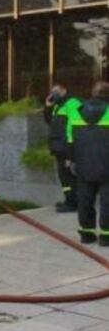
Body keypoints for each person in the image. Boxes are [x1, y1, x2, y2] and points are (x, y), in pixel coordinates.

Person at [67, 81, 109, 246]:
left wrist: (71, 160)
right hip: (107, 165)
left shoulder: (76, 111)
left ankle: (87, 234)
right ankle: (106, 237)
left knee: (85, 200)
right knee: (107, 202)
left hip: (83, 165)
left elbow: (70, 138)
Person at [44, 84, 82, 212]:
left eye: (57, 91)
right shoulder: (57, 106)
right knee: (63, 176)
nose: (54, 93)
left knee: (69, 175)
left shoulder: (72, 103)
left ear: (65, 91)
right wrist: (48, 107)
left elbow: (74, 126)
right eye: (52, 91)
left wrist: (71, 149)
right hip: (58, 147)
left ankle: (74, 203)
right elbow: (49, 121)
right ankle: (69, 200)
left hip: (67, 146)